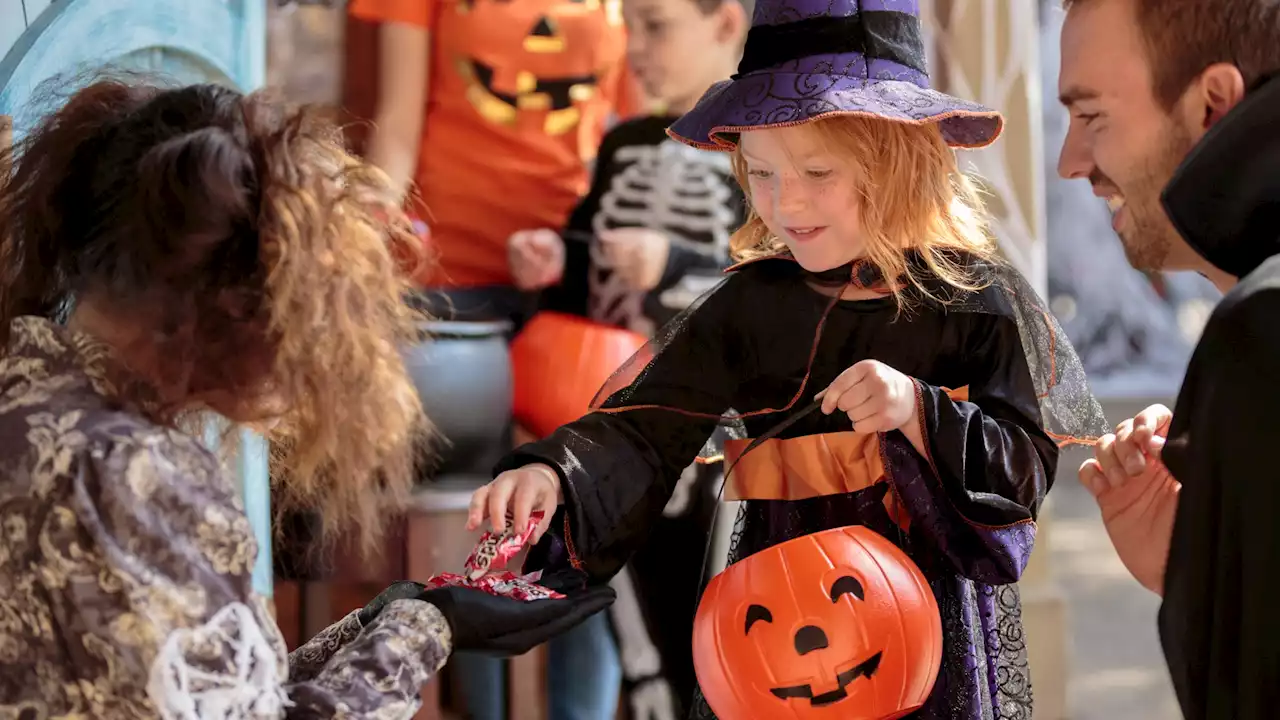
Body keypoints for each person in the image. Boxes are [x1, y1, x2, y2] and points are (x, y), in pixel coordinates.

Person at [471, 0, 1109, 717]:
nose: (784, 204)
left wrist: (920, 410)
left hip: (928, 645)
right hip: (774, 634)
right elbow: (645, 429)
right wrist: (555, 472)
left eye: (815, 171)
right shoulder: (751, 307)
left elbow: (1021, 468)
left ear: (899, 160)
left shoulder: (974, 303)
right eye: (762, 173)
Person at [0, 79, 613, 717]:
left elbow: (228, 695)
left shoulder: (25, 392)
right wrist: (430, 631)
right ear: (237, 307)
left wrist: (395, 619)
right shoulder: (134, 479)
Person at [507, 0, 748, 714]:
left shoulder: (760, 149)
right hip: (615, 411)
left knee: (708, 626)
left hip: (714, 427)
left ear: (726, 23)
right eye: (629, 26)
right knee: (633, 619)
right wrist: (556, 258)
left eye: (656, 25)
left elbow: (774, 285)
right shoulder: (626, 145)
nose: (634, 47)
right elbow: (590, 267)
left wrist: (674, 263)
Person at [1056, 0, 1280, 716]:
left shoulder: (1264, 330)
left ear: (1214, 101)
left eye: (1091, 117)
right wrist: (1207, 579)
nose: (1070, 163)